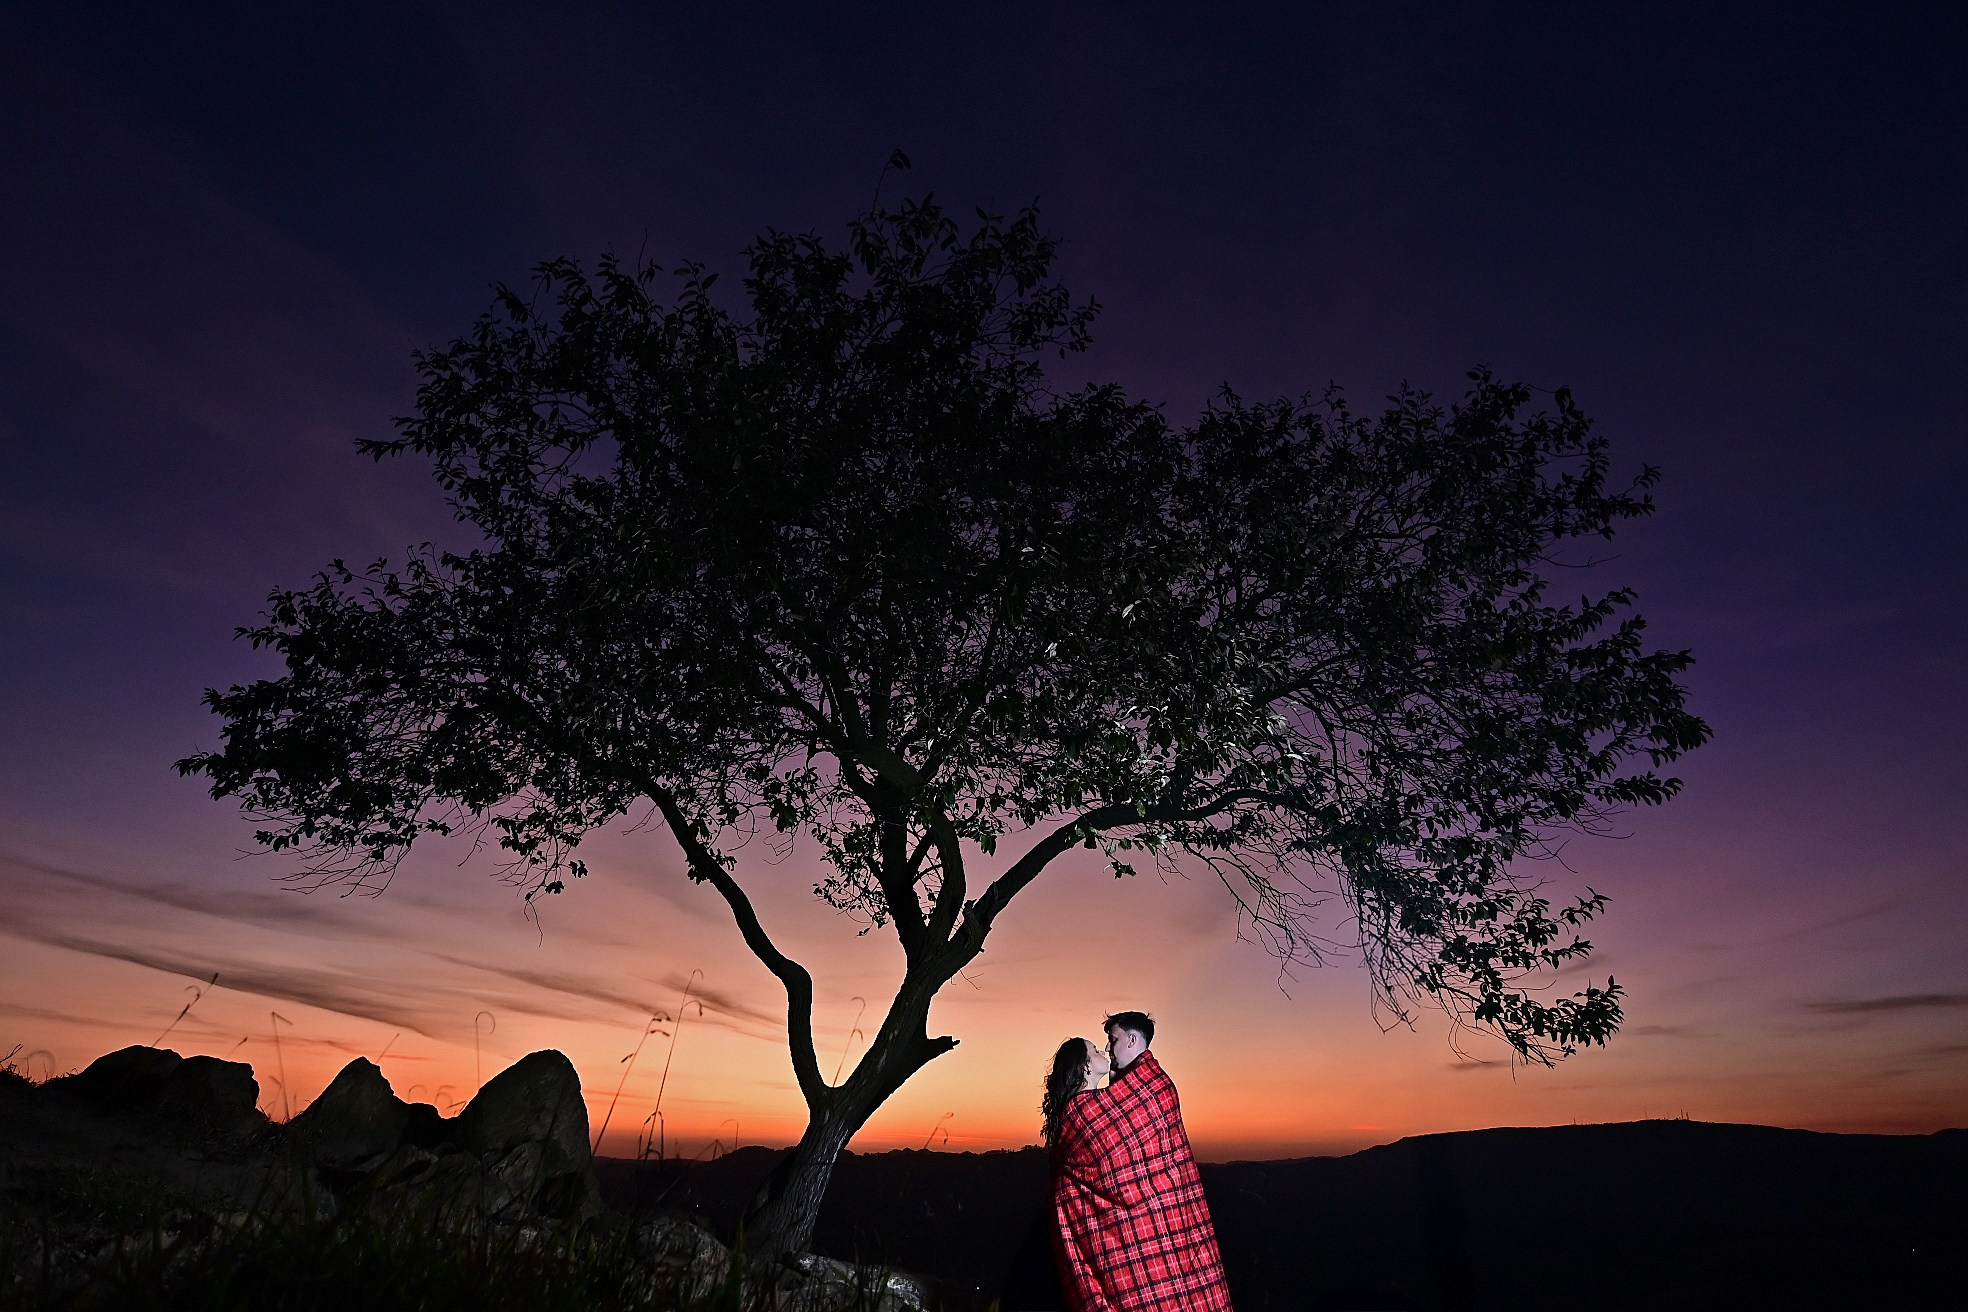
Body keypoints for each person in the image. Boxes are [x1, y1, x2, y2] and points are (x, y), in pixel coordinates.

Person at [1044, 1012, 1234, 1311]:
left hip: (1159, 1214)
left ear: (1132, 1039)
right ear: (1083, 1066)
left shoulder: (1138, 1091)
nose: (1106, 1049)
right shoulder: (1092, 1108)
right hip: (1114, 1227)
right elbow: (1109, 1169)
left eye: (1111, 1040)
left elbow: (1158, 1159)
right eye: (1097, 1049)